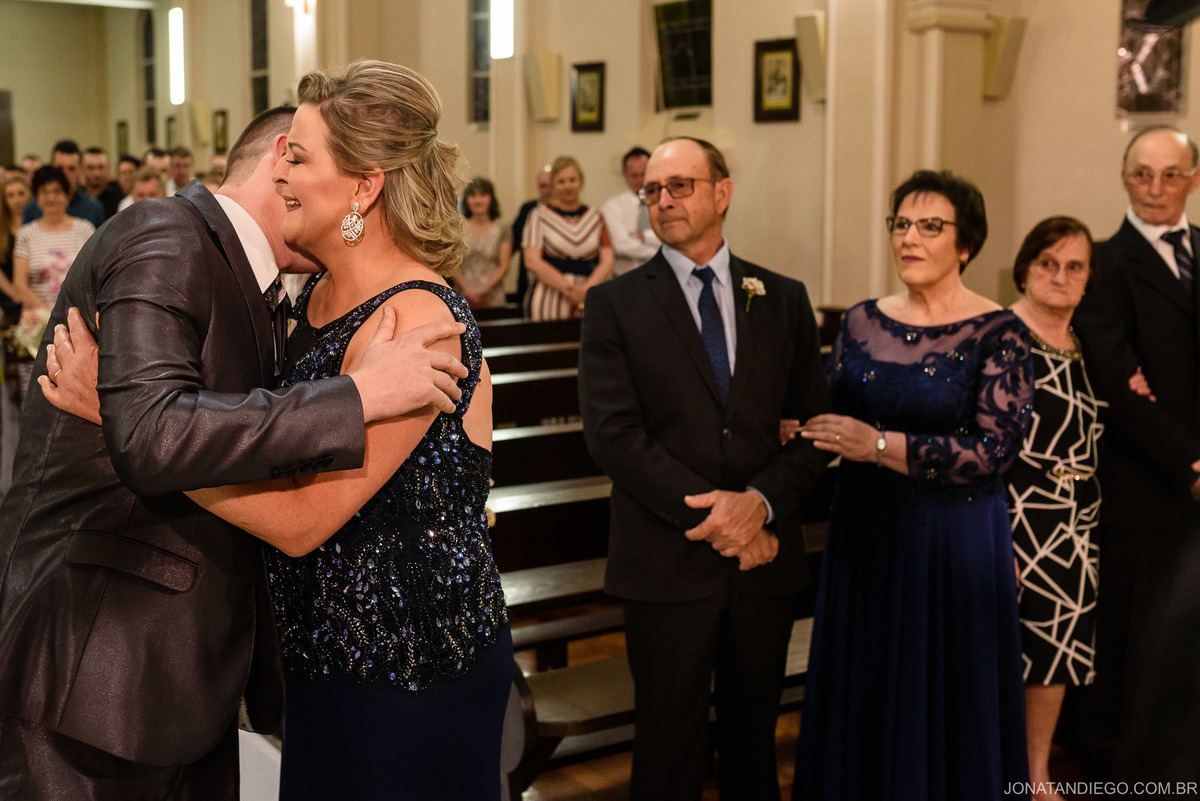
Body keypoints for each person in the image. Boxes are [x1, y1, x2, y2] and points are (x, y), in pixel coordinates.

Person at [0, 103, 469, 800]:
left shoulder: (282, 292)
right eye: (300, 158)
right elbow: (152, 435)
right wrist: (358, 395)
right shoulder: (165, 233)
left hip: (194, 680)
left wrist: (115, 411)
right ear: (283, 158)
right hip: (94, 673)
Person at [157, 61, 510, 800]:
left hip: (410, 672)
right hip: (324, 660)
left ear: (364, 186)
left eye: (298, 156)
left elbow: (302, 519)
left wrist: (145, 438)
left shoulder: (418, 319)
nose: (279, 172)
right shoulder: (315, 295)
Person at [579, 136, 830, 801]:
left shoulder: (782, 298)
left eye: (680, 186)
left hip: (762, 563)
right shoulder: (615, 304)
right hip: (667, 559)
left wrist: (760, 504)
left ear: (722, 192)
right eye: (653, 191)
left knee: (754, 745)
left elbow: (814, 428)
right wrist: (724, 516)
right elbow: (612, 436)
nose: (664, 200)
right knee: (668, 747)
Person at [794, 170, 1034, 801]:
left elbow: (993, 451)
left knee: (947, 696)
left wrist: (878, 446)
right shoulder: (861, 321)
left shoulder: (999, 331)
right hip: (866, 533)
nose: (910, 238)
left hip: (953, 540)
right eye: (901, 224)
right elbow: (828, 412)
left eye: (930, 226)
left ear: (966, 244)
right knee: (866, 687)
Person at [1072, 124, 1200, 783]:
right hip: (1144, 486)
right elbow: (1117, 385)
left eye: (1170, 174)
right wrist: (1192, 465)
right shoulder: (1102, 264)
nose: (1155, 188)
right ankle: (1119, 775)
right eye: (1141, 174)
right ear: (1124, 178)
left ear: (1193, 180)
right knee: (1136, 644)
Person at [1005, 217, 1104, 799]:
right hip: (1015, 519)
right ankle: (991, 771)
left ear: (1089, 279)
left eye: (1074, 266)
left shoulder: (1087, 345)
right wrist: (996, 535)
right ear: (1025, 267)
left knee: (1056, 656)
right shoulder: (1000, 337)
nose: (1059, 276)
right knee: (1004, 655)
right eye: (1047, 262)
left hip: (1075, 522)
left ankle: (1035, 774)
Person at [522, 155, 613, 319]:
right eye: (561, 181)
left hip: (591, 296)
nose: (568, 186)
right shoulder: (538, 215)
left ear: (581, 182)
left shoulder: (596, 217)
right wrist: (569, 290)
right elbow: (532, 260)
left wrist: (586, 291)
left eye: (572, 180)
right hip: (549, 297)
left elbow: (607, 260)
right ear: (553, 185)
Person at [12, 166, 95, 313]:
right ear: (36, 197)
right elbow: (20, 286)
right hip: (38, 316)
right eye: (44, 192)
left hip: (77, 313)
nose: (51, 197)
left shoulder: (85, 229)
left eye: (57, 191)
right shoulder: (26, 233)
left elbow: (93, 277)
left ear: (67, 195)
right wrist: (49, 313)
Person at [602, 146, 661, 276]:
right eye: (634, 175)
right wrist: (659, 253)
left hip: (663, 275)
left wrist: (644, 236)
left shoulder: (664, 203)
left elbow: (670, 239)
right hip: (626, 277)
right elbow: (621, 245)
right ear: (625, 175)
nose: (640, 180)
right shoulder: (612, 206)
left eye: (643, 174)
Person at [20, 141, 104, 228]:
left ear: (79, 170)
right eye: (60, 168)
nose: (65, 174)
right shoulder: (33, 208)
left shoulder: (93, 208)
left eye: (71, 168)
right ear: (51, 166)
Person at [458, 176, 512, 308]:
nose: (478, 200)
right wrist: (469, 290)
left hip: (493, 298)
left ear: (491, 198)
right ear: (466, 200)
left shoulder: (503, 228)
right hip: (463, 296)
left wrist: (482, 291)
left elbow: (504, 266)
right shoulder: (457, 228)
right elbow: (451, 265)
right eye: (472, 196)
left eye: (483, 195)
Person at [510, 164, 551, 311]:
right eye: (543, 186)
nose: (548, 191)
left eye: (551, 185)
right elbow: (513, 242)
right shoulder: (528, 209)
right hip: (528, 285)